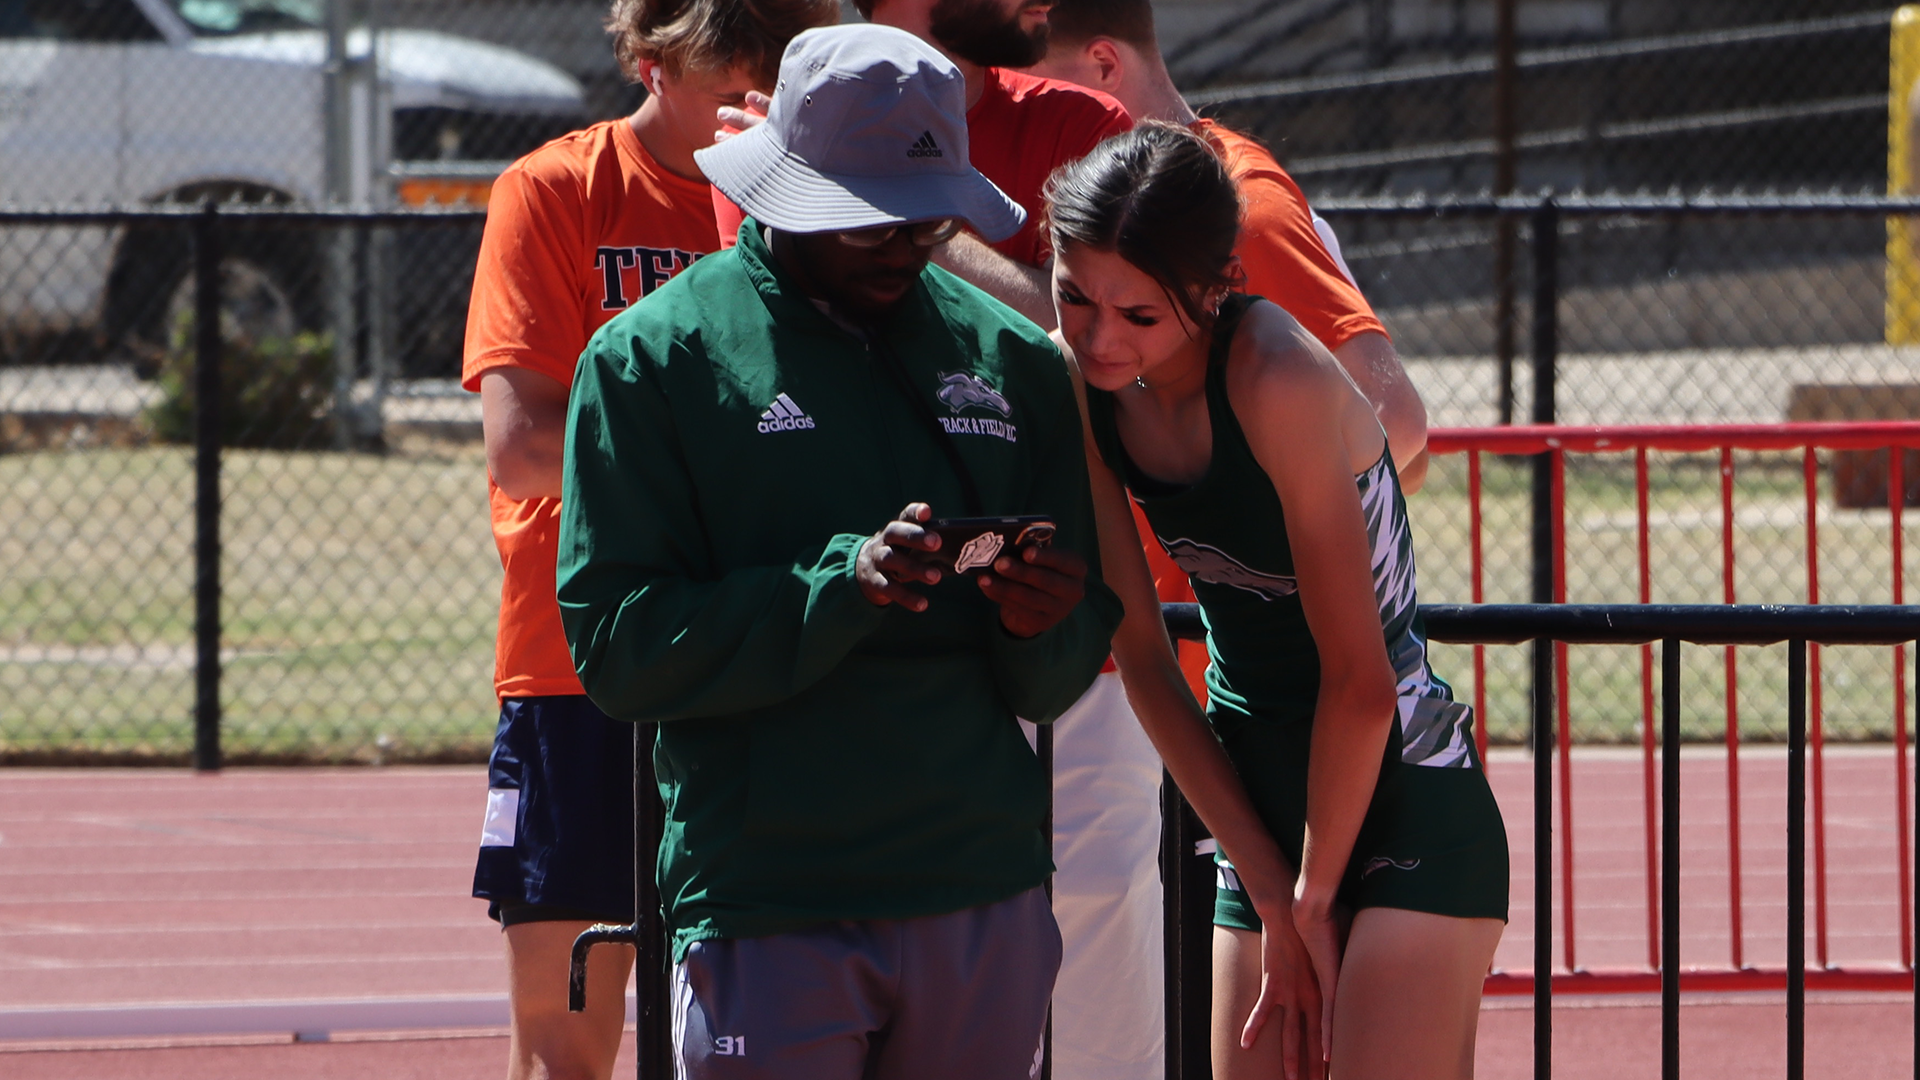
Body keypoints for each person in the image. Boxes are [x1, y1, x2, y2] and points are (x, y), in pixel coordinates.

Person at [556, 24, 1123, 1080]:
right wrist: (836, 589)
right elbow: (619, 648)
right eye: (869, 222)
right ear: (786, 191)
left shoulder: (1014, 361)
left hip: (981, 887)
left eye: (927, 219)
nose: (904, 246)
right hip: (768, 898)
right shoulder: (651, 359)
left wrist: (1042, 621)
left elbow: (1062, 666)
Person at [1048, 123, 1507, 1080]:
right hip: (1256, 801)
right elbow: (1142, 656)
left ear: (1218, 287)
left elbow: (1362, 686)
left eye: (1139, 315)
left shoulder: (1274, 375)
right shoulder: (1078, 385)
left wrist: (1313, 900)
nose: (1099, 337)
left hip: (1400, 783)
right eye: (1074, 296)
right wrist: (1268, 882)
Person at [463, 2, 837, 1078]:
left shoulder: (815, 207)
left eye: (777, 74)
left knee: (774, 1032)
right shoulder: (556, 190)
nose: (755, 97)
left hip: (762, 656)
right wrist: (726, 464)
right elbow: (523, 447)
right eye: (728, 76)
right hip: (582, 666)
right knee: (565, 1042)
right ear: (647, 61)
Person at [1025, 0, 1429, 490]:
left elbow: (1395, 423)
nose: (1019, 102)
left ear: (1104, 64)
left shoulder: (1241, 206)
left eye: (1026, 82)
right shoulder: (1119, 205)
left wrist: (1234, 533)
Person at [716, 0, 1132, 330]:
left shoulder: (1085, 124)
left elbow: (1094, 328)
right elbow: (766, 335)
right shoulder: (778, 145)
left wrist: (881, 208)